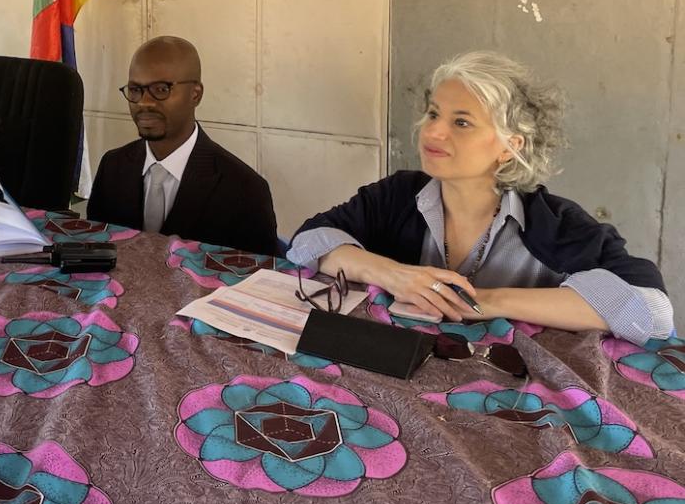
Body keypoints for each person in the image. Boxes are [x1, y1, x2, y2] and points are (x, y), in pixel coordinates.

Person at [288, 51, 673, 344]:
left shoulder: (555, 223)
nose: (433, 132)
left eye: (461, 122)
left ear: (509, 146)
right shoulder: (399, 194)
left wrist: (484, 302)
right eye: (433, 114)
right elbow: (310, 240)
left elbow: (652, 309)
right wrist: (393, 274)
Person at [87, 36, 278, 255]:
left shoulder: (245, 190)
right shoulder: (113, 167)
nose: (144, 102)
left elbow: (262, 274)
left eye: (161, 89)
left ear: (195, 94)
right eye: (135, 90)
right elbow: (94, 254)